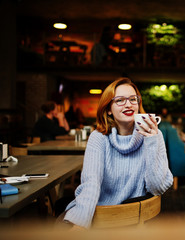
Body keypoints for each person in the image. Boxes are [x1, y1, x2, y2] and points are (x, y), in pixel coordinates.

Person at [62, 78, 173, 229]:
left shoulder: (155, 135)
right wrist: (80, 223)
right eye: (120, 100)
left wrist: (151, 141)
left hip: (132, 221)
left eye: (133, 99)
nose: (128, 104)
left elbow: (156, 188)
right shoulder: (98, 137)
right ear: (108, 109)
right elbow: (91, 184)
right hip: (97, 215)